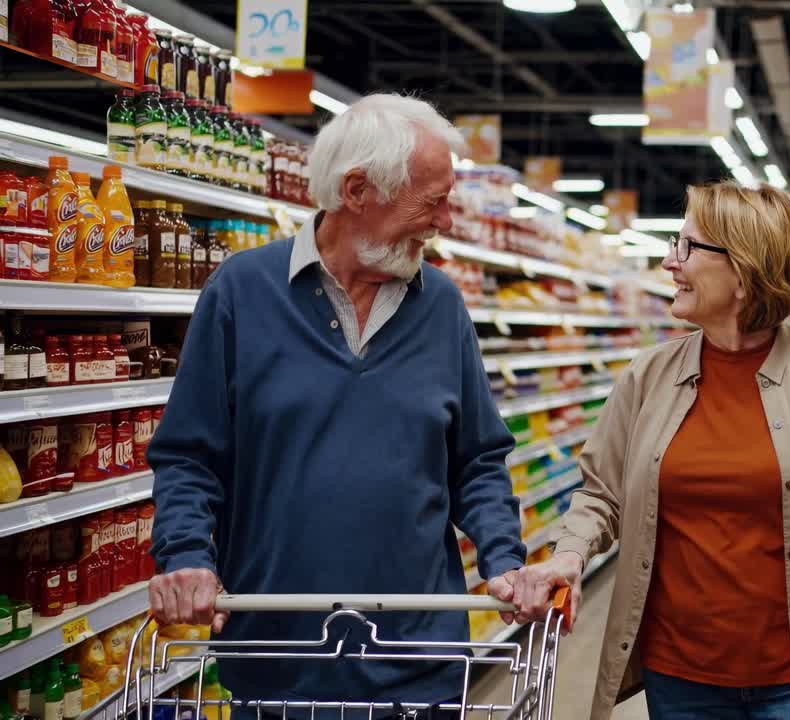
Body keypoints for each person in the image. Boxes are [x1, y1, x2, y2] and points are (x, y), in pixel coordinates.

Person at [145, 94, 526, 714]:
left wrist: (504, 556)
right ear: (356, 191)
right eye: (432, 202)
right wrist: (187, 556)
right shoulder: (242, 292)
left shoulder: (443, 306)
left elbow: (478, 460)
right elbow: (189, 455)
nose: (446, 222)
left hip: (419, 660)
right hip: (277, 658)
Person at [510, 181, 790, 720]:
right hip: (679, 674)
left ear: (743, 270)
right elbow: (603, 494)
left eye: (687, 247)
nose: (669, 261)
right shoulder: (649, 377)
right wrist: (569, 556)